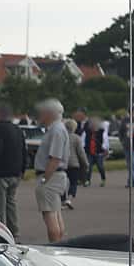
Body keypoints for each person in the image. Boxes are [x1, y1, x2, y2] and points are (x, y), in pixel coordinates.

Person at [34, 99, 72, 243]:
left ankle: (55, 247)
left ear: (49, 113)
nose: (40, 115)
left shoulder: (56, 130)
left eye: (43, 112)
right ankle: (60, 245)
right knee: (56, 214)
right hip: (57, 176)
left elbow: (55, 158)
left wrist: (44, 179)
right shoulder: (59, 129)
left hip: (51, 177)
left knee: (50, 216)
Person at [0, 103, 23, 238]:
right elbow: (23, 150)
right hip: (15, 172)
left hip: (1, 173)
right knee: (11, 204)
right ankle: (15, 232)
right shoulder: (18, 130)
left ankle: (2, 234)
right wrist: (22, 169)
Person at [81, 112, 107, 185]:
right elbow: (83, 140)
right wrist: (83, 148)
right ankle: (88, 180)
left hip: (99, 153)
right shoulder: (87, 132)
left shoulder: (102, 132)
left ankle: (103, 179)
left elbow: (105, 141)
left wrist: (105, 148)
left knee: (100, 166)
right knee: (88, 167)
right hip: (89, 152)